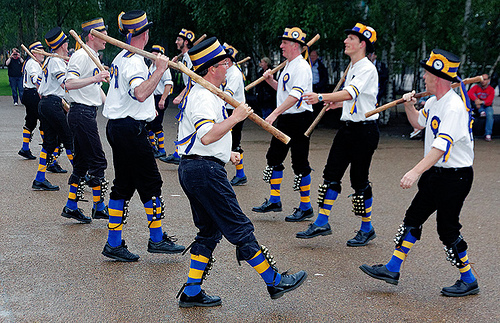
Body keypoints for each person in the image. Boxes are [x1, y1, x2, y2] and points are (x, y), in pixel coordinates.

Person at [175, 37, 307, 307]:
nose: (228, 67)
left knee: (209, 232)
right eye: (224, 63)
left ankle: (191, 292)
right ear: (212, 68)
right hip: (204, 171)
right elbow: (207, 136)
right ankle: (274, 281)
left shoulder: (206, 93)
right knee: (239, 228)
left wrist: (227, 153)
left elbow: (205, 140)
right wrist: (235, 118)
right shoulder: (202, 95)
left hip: (197, 168)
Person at [360, 49, 479, 297]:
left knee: (447, 230)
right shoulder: (436, 102)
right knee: (412, 219)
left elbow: (440, 147)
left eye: (428, 73)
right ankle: (392, 268)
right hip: (436, 174)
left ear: (440, 78)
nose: (424, 77)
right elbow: (418, 124)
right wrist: (410, 106)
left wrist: (414, 171)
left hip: (455, 177)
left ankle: (468, 279)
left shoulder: (454, 107)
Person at [101, 10, 184, 262]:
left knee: (123, 185)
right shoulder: (135, 61)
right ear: (145, 33)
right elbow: (140, 93)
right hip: (128, 129)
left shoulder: (122, 57)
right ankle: (157, 239)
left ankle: (113, 244)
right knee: (151, 182)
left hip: (118, 128)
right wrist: (159, 70)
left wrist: (154, 66)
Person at [298, 23, 379, 246]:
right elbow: (355, 100)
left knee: (358, 180)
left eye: (351, 39)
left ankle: (367, 227)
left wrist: (323, 97)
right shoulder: (352, 66)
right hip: (348, 128)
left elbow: (351, 92)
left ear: (362, 44)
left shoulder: (366, 68)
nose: (346, 41)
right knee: (331, 173)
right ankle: (322, 222)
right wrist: (337, 104)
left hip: (365, 130)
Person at [252, 27, 314, 223]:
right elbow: (285, 91)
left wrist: (273, 114)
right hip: (286, 118)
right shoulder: (289, 64)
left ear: (295, 45)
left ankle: (306, 207)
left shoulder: (302, 67)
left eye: (284, 43)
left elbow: (296, 96)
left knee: (299, 163)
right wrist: (271, 81)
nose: (281, 46)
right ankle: (274, 200)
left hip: (300, 119)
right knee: (274, 157)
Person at [62, 17, 110, 223]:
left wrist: (111, 107)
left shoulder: (93, 56)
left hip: (86, 113)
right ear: (92, 36)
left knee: (81, 164)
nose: (107, 38)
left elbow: (95, 89)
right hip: (81, 114)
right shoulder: (81, 56)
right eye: (103, 34)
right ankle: (99, 206)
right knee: (98, 161)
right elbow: (68, 83)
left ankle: (71, 206)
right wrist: (96, 78)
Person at [32, 27, 74, 191]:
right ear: (62, 45)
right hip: (52, 104)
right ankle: (80, 174)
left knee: (49, 143)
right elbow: (66, 85)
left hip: (45, 104)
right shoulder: (55, 61)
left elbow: (40, 85)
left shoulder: (50, 60)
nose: (67, 45)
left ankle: (40, 178)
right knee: (68, 138)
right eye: (66, 42)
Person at [159, 28, 196, 165]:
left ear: (186, 42)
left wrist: (181, 95)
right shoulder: (186, 57)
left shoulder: (191, 57)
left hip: (192, 95)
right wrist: (174, 64)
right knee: (184, 123)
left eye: (179, 40)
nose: (176, 42)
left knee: (189, 124)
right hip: (189, 95)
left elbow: (193, 79)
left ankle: (185, 154)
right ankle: (178, 153)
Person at [221, 43, 247, 186]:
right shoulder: (227, 71)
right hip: (228, 109)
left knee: (234, 142)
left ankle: (240, 174)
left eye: (224, 58)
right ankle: (238, 174)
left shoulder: (235, 73)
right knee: (226, 140)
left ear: (229, 59)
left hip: (236, 110)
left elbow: (228, 95)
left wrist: (217, 106)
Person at [146, 45, 173, 158]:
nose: (154, 56)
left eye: (156, 54)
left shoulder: (164, 68)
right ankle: (153, 147)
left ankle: (161, 149)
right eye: (152, 54)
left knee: (156, 124)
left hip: (160, 98)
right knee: (149, 125)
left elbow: (168, 84)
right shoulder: (151, 67)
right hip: (152, 98)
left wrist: (163, 99)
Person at [18, 42, 44, 160]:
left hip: (30, 94)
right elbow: (36, 80)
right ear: (34, 53)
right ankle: (49, 151)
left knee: (31, 121)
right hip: (33, 94)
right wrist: (42, 94)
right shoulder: (33, 64)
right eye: (40, 51)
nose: (43, 53)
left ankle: (25, 148)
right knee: (44, 121)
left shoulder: (35, 63)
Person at [468, 74, 495, 141]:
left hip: (487, 106)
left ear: (488, 80)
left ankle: (488, 134)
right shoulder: (476, 87)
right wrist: (476, 100)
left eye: (485, 79)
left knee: (490, 114)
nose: (483, 81)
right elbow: (469, 93)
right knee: (476, 105)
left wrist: (481, 102)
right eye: (481, 79)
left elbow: (489, 101)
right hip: (476, 105)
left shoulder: (491, 89)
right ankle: (481, 111)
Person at [310, 49, 329, 119]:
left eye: (314, 56)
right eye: (311, 55)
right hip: (309, 87)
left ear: (317, 56)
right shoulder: (306, 65)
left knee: (318, 104)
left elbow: (325, 77)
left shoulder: (321, 66)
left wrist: (319, 85)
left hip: (318, 87)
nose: (312, 57)